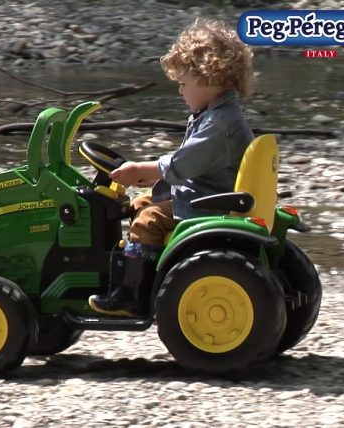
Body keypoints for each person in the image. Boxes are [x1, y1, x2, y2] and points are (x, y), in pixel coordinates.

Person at [89, 18, 256, 316]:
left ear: (209, 78)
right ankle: (131, 268)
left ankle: (131, 294)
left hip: (207, 203)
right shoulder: (215, 114)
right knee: (139, 204)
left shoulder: (220, 124)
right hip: (208, 192)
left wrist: (139, 170)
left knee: (146, 221)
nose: (180, 92)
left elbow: (182, 164)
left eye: (183, 84)